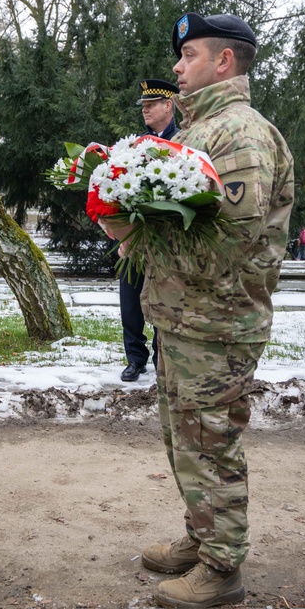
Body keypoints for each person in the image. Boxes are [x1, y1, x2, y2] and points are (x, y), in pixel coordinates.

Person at [102, 12, 293, 608]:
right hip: (184, 318)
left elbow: (225, 244)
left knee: (210, 443)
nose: (177, 69)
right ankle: (201, 534)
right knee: (185, 439)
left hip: (218, 323)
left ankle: (222, 567)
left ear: (224, 62)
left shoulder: (239, 133)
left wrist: (134, 237)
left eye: (187, 56)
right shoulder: (198, 131)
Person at [119, 79, 179, 382]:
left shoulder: (183, 142)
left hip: (167, 243)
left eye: (151, 105)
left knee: (160, 301)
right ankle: (135, 358)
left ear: (168, 106)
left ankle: (160, 358)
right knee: (129, 303)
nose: (145, 110)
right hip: (135, 240)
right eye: (143, 106)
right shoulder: (134, 146)